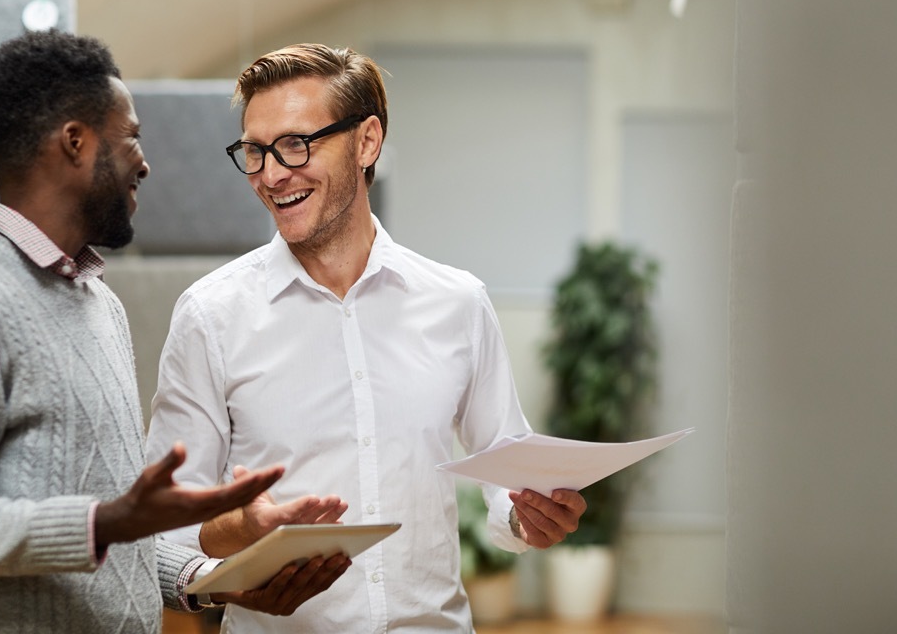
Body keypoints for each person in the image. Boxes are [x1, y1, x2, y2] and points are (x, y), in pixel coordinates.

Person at [0, 31, 346, 634]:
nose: (145, 163)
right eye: (132, 138)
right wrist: (105, 522)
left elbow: (113, 543)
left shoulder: (99, 304)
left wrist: (210, 584)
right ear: (75, 143)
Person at [145, 43, 588, 632]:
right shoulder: (211, 315)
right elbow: (162, 524)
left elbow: (507, 473)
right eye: (255, 152)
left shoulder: (457, 303)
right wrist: (241, 530)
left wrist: (528, 515)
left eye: (297, 144)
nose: (273, 175)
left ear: (367, 142)